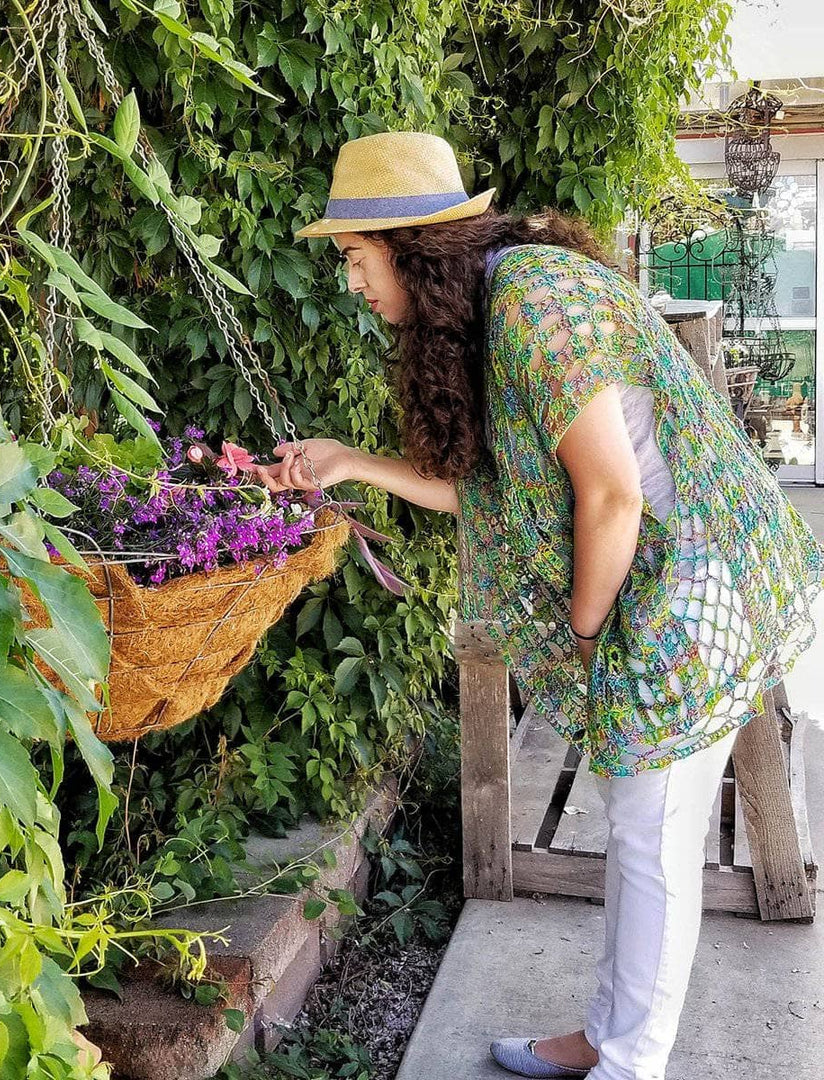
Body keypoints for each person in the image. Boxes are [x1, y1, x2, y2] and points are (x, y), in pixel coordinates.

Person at [253, 130, 824, 1080]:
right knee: (642, 827)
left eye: (355, 260)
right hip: (655, 570)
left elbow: (610, 496)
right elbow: (495, 493)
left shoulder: (531, 303)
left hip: (696, 578)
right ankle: (606, 1039)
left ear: (408, 247)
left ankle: (628, 1065)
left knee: (652, 836)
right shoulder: (490, 308)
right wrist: (348, 461)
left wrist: (588, 632)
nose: (350, 284)